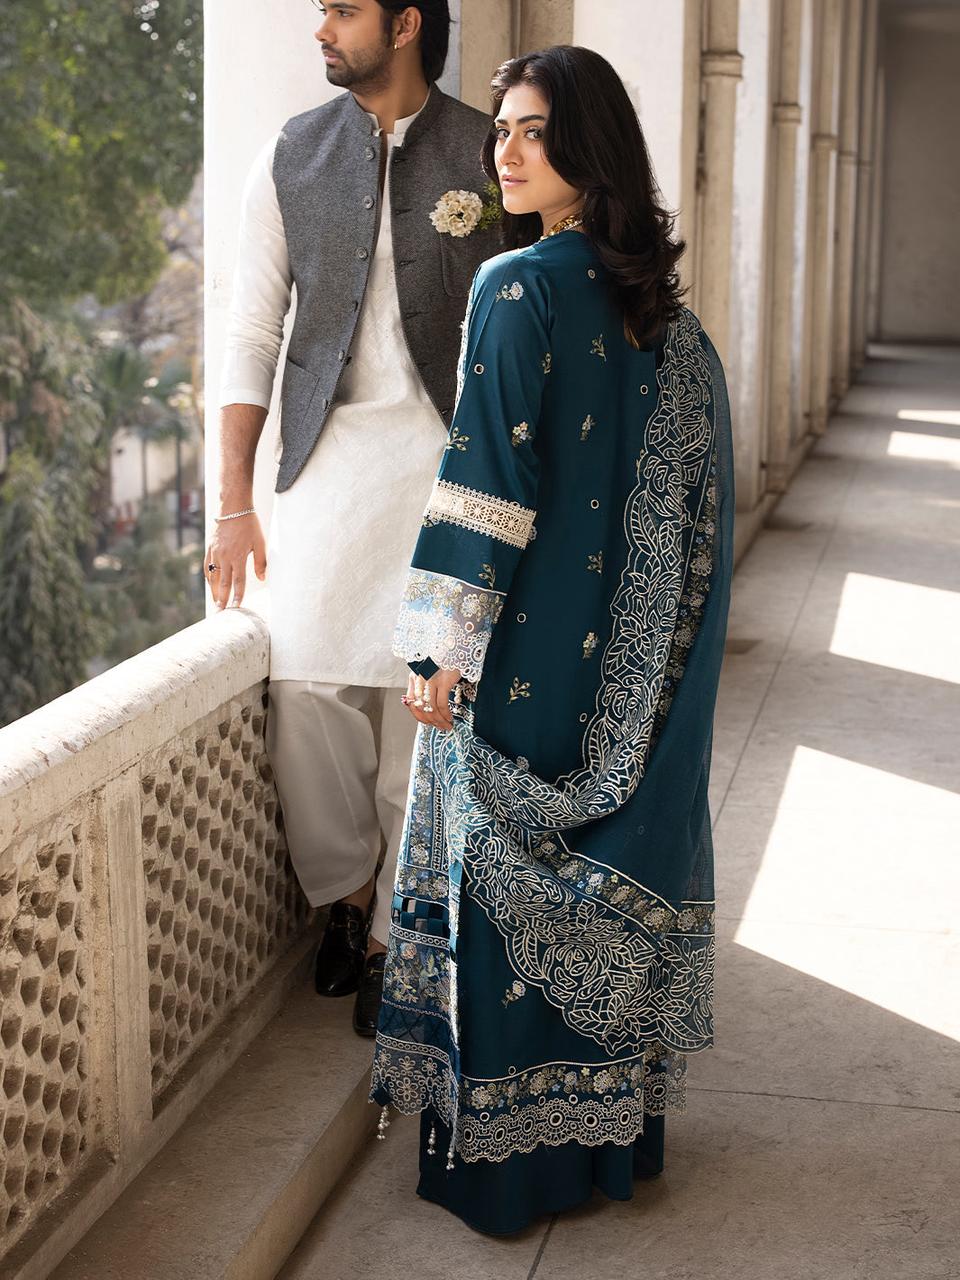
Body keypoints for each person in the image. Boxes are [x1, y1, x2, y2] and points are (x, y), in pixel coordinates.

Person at [370, 45, 734, 1234]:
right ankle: (602, 1149)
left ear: (591, 149)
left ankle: (508, 1174)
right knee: (592, 883)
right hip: (627, 680)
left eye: (534, 131)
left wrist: (440, 648)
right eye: (503, 131)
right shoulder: (668, 322)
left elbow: (488, 478)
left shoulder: (515, 286)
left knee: (498, 906)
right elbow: (695, 524)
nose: (506, 152)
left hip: (522, 660)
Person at [208, 0, 502, 1036]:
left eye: (343, 9)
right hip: (323, 463)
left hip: (450, 462)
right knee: (305, 682)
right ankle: (343, 890)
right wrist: (234, 501)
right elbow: (251, 332)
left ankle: (390, 936)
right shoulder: (289, 153)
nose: (321, 28)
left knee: (425, 702)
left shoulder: (489, 148)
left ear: (406, 23)